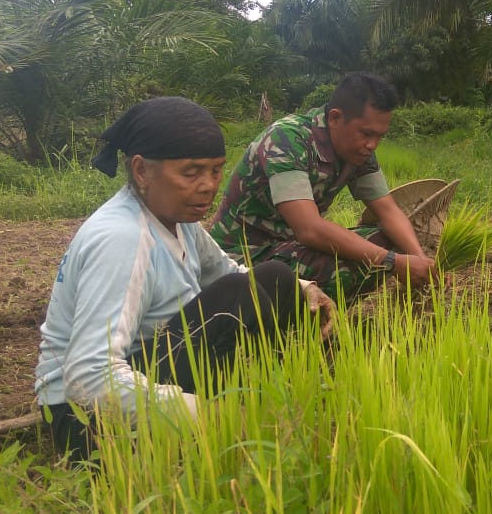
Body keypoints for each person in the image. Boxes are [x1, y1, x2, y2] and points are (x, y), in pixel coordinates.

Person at [34, 97, 333, 462]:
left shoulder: (178, 219)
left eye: (216, 171)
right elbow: (88, 377)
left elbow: (229, 273)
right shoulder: (122, 238)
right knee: (236, 300)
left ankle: (285, 397)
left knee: (275, 278)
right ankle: (233, 420)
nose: (208, 186)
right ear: (141, 171)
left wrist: (303, 290)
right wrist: (208, 414)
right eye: (191, 173)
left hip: (147, 369)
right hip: (84, 420)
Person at [210, 72, 436, 299]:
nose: (372, 145)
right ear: (335, 118)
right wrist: (392, 262)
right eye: (367, 133)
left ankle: (321, 309)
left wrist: (421, 262)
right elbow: (309, 230)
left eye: (380, 136)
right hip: (244, 258)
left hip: (289, 248)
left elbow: (388, 212)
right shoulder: (287, 140)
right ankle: (304, 316)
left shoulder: (359, 151)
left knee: (388, 241)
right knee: (344, 266)